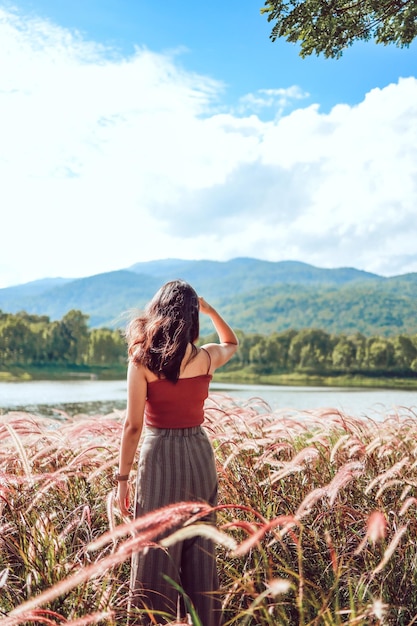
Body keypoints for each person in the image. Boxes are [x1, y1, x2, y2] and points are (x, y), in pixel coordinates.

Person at [116, 279, 239, 625]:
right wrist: (210, 309)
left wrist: (122, 480)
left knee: (154, 547)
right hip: (200, 454)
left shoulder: (141, 361)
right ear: (192, 319)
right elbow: (232, 341)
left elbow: (132, 426)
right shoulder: (206, 358)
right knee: (201, 548)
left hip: (159, 457)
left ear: (157, 312)